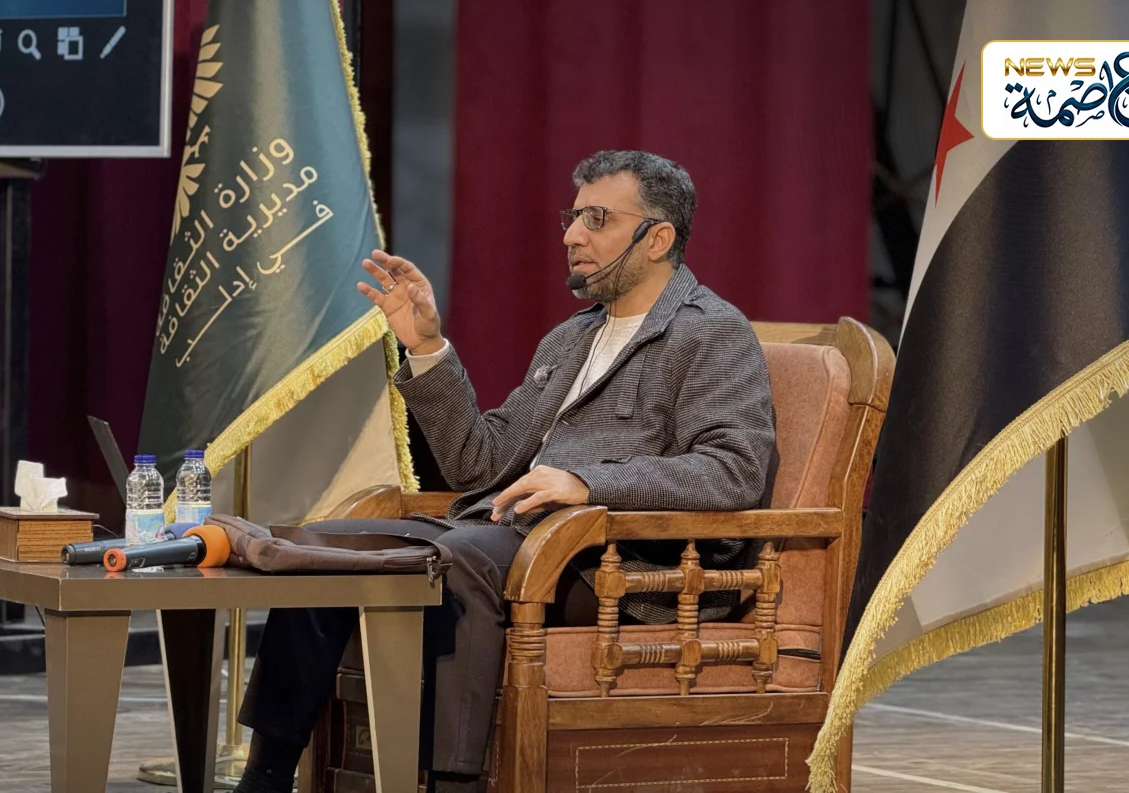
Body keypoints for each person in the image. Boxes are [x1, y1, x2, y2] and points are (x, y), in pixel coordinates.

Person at [235, 150, 776, 793]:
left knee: (462, 558)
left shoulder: (712, 333)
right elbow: (478, 463)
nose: (571, 236)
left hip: (616, 565)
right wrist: (426, 347)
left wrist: (588, 486)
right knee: (321, 548)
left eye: (597, 219)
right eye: (573, 217)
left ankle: (451, 783)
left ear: (657, 239)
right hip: (506, 534)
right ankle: (266, 777)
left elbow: (732, 471)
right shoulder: (572, 338)